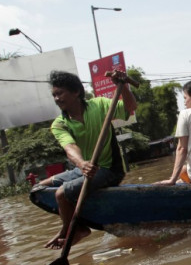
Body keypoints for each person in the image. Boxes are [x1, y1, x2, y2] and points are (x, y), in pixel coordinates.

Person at [40, 70, 137, 249]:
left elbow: (130, 108)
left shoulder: (99, 105)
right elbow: (70, 148)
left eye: (60, 93)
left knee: (61, 194)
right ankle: (75, 223)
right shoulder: (59, 124)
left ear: (76, 92)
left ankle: (73, 230)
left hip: (109, 169)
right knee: (39, 188)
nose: (56, 98)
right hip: (84, 168)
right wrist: (82, 164)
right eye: (54, 95)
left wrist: (122, 87)